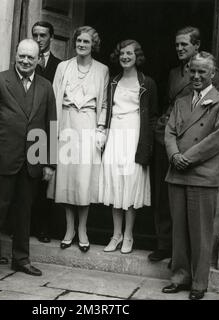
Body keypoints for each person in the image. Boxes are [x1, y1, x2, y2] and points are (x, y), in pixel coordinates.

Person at [0, 39, 56, 281]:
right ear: (15, 55)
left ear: (37, 59)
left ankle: (21, 259)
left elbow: (50, 125)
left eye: (30, 58)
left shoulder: (45, 86)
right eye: (21, 56)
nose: (25, 61)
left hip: (32, 162)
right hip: (3, 161)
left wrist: (49, 162)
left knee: (24, 214)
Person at [162, 52, 219, 300]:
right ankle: (179, 276)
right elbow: (169, 132)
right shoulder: (181, 101)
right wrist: (174, 156)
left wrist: (187, 158)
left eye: (202, 72)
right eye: (193, 70)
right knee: (179, 230)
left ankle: (199, 282)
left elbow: (217, 139)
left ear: (212, 74)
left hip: (202, 175)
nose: (196, 76)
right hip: (176, 173)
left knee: (201, 232)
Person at [150, 26, 219, 263]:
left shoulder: (208, 72)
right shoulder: (173, 73)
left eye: (185, 45)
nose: (180, 48)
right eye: (177, 45)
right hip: (167, 137)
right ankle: (164, 243)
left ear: (196, 46)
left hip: (191, 144)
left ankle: (183, 255)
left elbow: (210, 111)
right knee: (163, 196)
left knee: (188, 205)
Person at [49, 26, 109, 252]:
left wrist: (101, 128)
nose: (82, 45)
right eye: (79, 41)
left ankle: (83, 229)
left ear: (93, 44)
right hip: (66, 122)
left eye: (86, 41)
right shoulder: (63, 67)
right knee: (66, 178)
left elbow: (103, 103)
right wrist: (53, 129)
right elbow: (54, 96)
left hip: (88, 125)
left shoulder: (102, 70)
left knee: (84, 179)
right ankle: (69, 228)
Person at [99, 40, 158, 254]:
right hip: (116, 134)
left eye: (130, 53)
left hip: (135, 136)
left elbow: (152, 117)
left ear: (137, 57)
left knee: (131, 187)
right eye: (122, 53)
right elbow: (107, 110)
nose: (125, 57)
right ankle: (116, 235)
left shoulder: (147, 83)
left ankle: (129, 235)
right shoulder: (113, 82)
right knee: (115, 185)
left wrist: (147, 145)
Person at [31, 21, 62, 243]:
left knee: (46, 179)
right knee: (26, 179)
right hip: (27, 129)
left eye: (43, 35)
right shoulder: (25, 62)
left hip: (47, 128)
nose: (39, 39)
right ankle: (23, 226)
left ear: (51, 37)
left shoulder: (60, 66)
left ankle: (43, 228)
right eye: (35, 35)